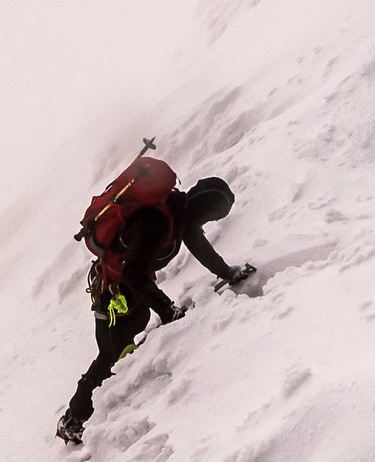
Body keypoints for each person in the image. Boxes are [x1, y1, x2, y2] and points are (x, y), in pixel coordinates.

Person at [58, 170, 256, 445]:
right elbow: (132, 273)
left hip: (131, 295)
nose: (207, 222)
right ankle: (72, 420)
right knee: (110, 354)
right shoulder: (158, 221)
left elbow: (200, 247)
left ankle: (103, 407)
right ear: (202, 209)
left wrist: (228, 273)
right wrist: (167, 310)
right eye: (210, 216)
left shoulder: (180, 215)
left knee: (124, 346)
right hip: (112, 294)